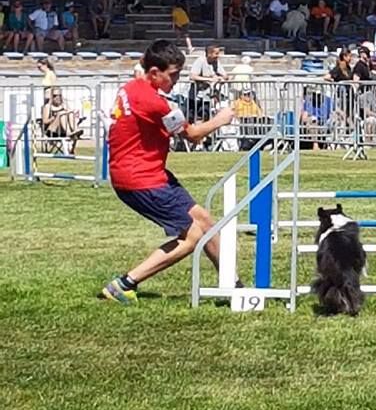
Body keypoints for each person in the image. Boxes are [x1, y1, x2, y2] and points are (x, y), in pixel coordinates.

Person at [101, 40, 236, 305]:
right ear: (154, 73)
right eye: (172, 75)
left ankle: (233, 285)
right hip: (141, 180)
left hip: (149, 172)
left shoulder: (132, 87)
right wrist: (222, 118)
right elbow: (193, 136)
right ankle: (124, 283)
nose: (176, 80)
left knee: (205, 220)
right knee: (193, 235)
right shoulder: (154, 103)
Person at [188, 43, 227, 121]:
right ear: (209, 53)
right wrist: (209, 79)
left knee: (206, 116)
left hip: (207, 96)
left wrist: (221, 78)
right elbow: (192, 76)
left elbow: (225, 75)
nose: (218, 55)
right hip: (195, 96)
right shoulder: (200, 61)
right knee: (191, 118)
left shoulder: (216, 62)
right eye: (216, 53)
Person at [41, 87, 83, 153]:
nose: (57, 97)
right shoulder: (47, 106)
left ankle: (74, 131)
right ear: (51, 97)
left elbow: (70, 114)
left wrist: (70, 112)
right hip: (52, 131)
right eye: (55, 96)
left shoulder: (64, 105)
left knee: (70, 114)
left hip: (63, 130)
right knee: (62, 115)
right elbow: (44, 121)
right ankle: (70, 134)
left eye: (59, 95)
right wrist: (54, 117)